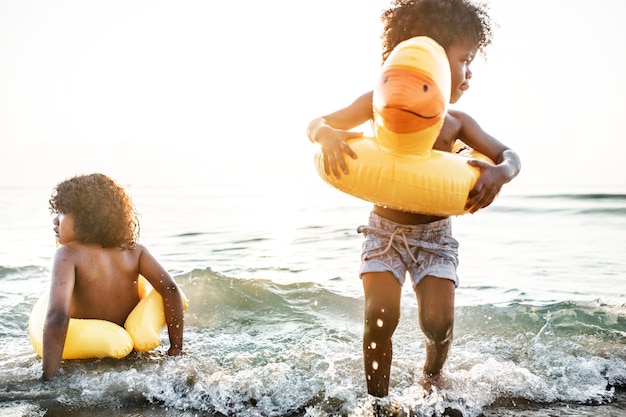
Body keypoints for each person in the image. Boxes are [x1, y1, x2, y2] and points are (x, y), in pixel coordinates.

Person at [307, 0, 521, 398]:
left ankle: (432, 378)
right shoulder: (379, 103)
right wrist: (326, 136)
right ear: (435, 58)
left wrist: (498, 173)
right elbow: (318, 123)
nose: (469, 72)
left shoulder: (458, 123)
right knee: (379, 316)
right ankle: (378, 400)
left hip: (435, 236)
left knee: (439, 325)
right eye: (464, 59)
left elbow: (510, 156)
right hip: (383, 232)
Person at [43, 173, 184, 380]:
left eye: (62, 212)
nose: (55, 221)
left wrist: (48, 377)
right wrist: (175, 349)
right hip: (135, 361)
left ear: (86, 218)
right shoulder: (135, 252)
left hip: (88, 365)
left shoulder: (67, 255)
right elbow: (170, 289)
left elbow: (58, 315)